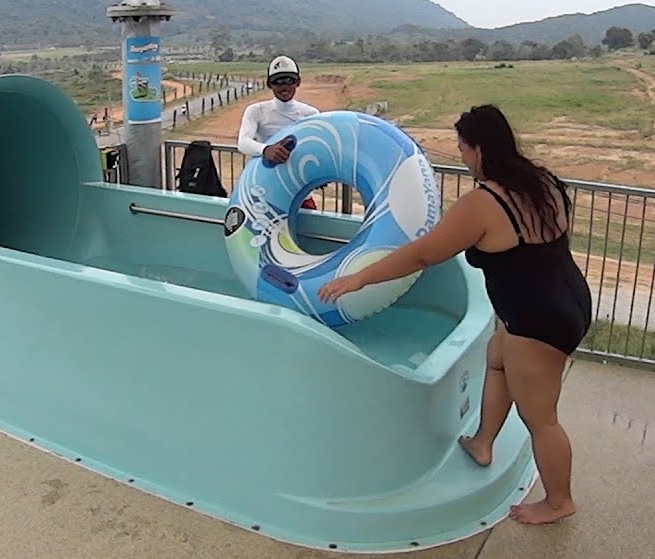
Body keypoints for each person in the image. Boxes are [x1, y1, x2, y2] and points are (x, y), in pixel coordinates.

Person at [318, 104, 593, 526]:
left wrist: (360, 279)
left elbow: (424, 253)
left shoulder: (484, 204)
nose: (462, 158)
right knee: (496, 361)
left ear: (480, 149)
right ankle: (483, 442)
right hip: (565, 297)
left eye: (463, 150)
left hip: (538, 320)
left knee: (541, 418)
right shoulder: (541, 181)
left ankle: (559, 501)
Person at [238, 55, 322, 209]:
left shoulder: (311, 113)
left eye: (289, 80)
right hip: (267, 192)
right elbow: (243, 143)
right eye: (278, 81)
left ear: (298, 82)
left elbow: (318, 148)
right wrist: (266, 150)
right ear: (269, 85)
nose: (284, 86)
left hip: (301, 192)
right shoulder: (256, 111)